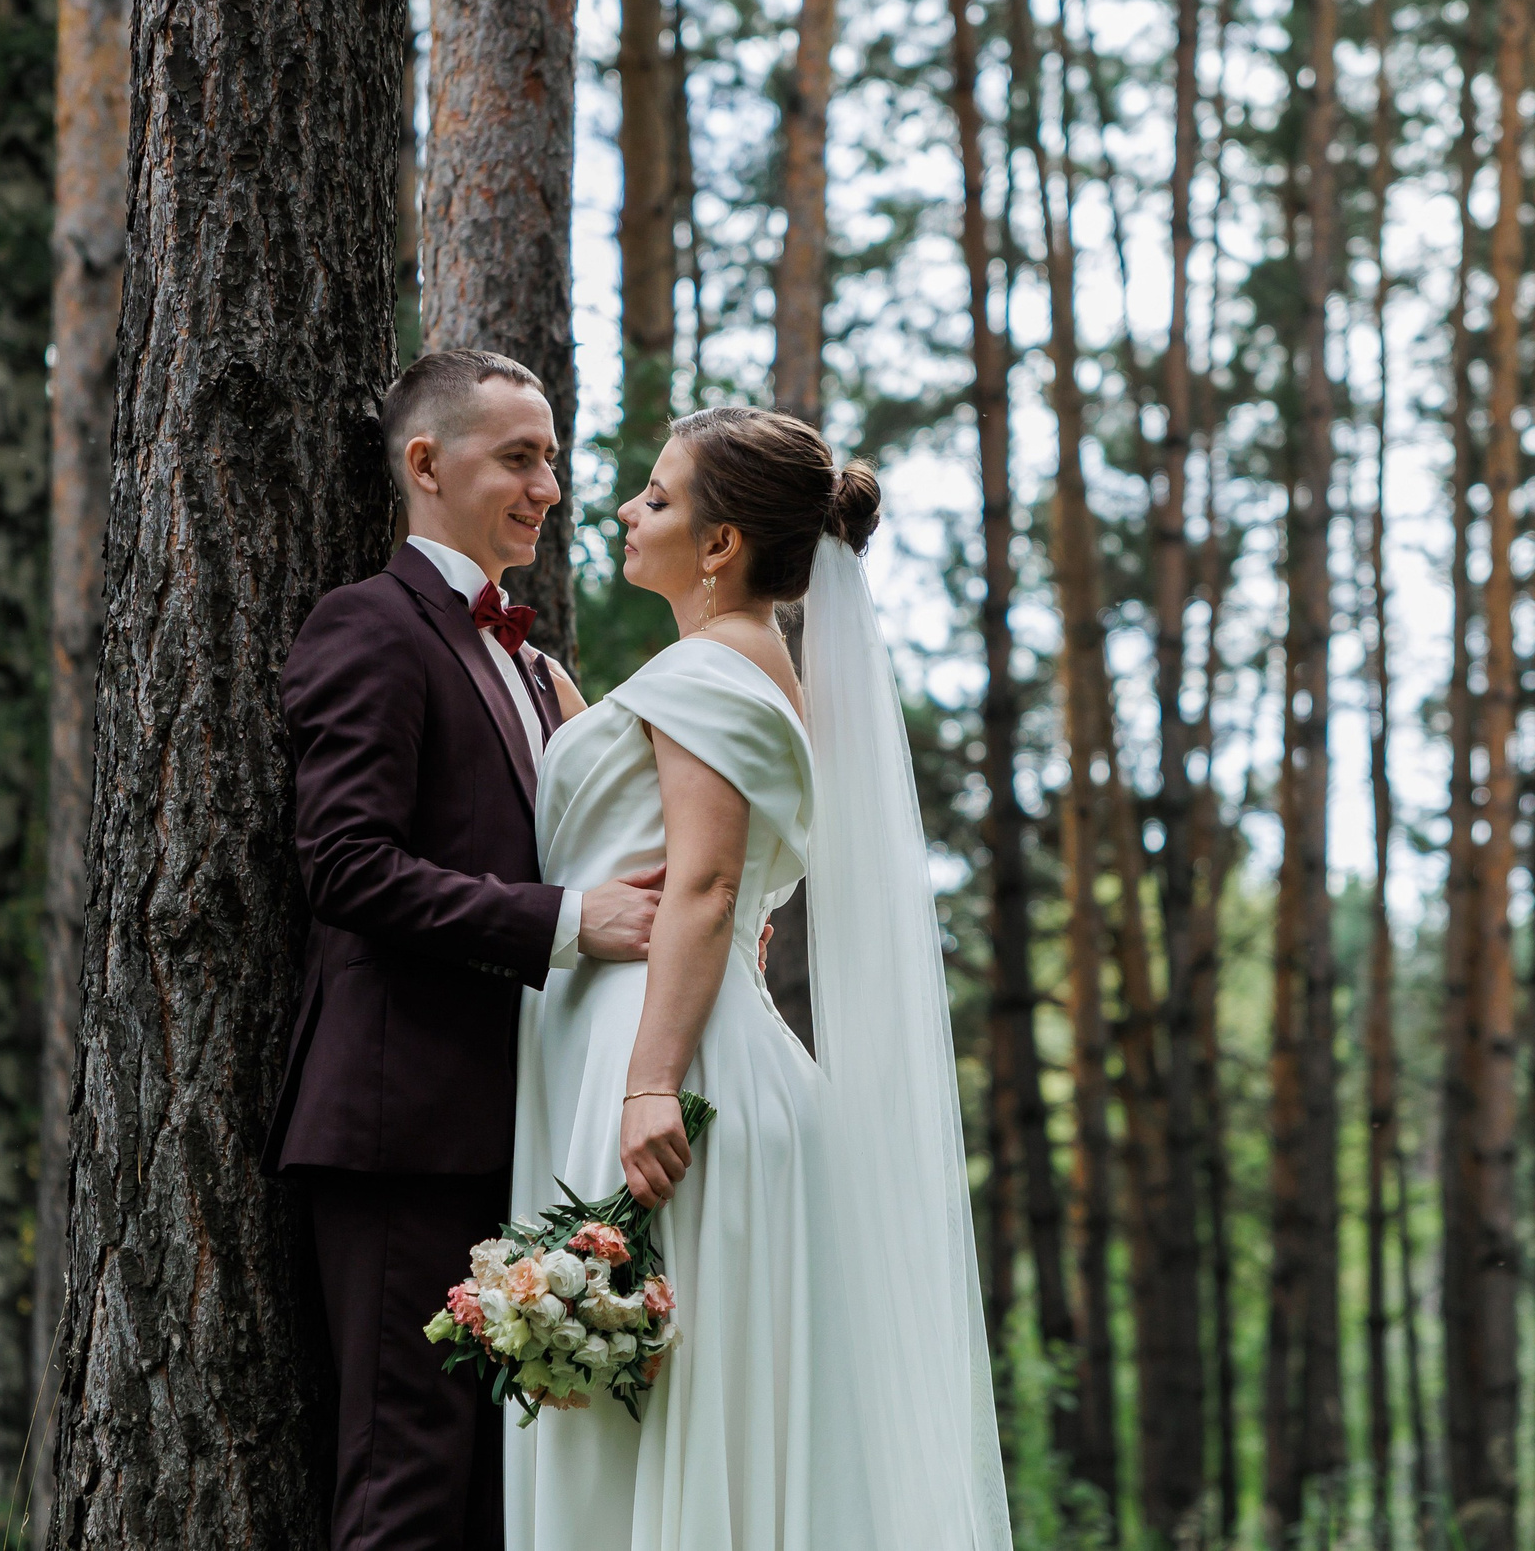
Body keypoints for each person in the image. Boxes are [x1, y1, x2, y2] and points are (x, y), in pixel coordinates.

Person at [505, 407, 1013, 1550]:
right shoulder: (743, 675)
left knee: (657, 1423)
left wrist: (646, 1087)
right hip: (697, 1045)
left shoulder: (708, 671)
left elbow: (706, 887)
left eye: (658, 496)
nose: (629, 511)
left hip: (669, 1070)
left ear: (721, 544)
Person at [266, 349, 665, 1551]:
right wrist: (564, 924)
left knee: (501, 1506)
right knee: (407, 1488)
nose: (548, 486)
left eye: (552, 457)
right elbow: (345, 867)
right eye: (518, 458)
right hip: (404, 1132)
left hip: (524, 1133)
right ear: (426, 466)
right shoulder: (369, 627)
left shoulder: (538, 671)